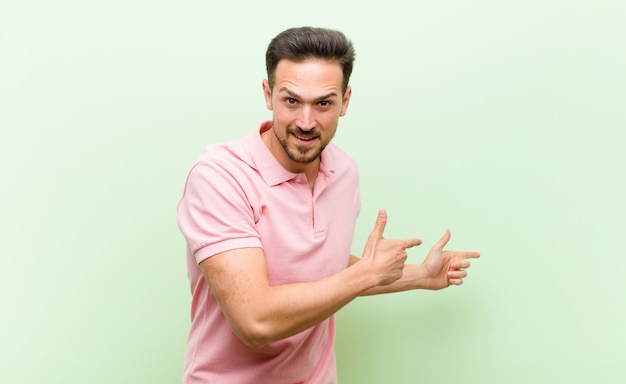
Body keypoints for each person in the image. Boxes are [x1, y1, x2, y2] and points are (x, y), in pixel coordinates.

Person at [176, 26, 480, 384]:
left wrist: (419, 276)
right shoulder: (220, 177)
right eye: (291, 101)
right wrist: (366, 272)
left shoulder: (344, 171)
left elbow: (324, 270)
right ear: (268, 93)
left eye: (323, 103)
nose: (306, 122)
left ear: (345, 101)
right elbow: (255, 321)